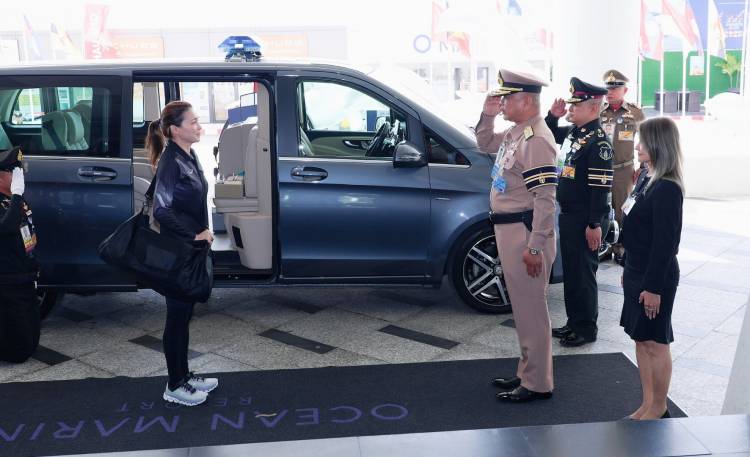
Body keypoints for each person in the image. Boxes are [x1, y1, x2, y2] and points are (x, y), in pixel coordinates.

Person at [477, 69, 558, 402]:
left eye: (506, 99)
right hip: (510, 230)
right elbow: (484, 143)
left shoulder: (536, 139)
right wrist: (487, 115)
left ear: (525, 101)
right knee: (524, 309)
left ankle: (537, 383)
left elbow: (545, 199)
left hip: (525, 234)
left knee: (532, 311)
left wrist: (535, 247)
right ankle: (528, 372)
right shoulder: (517, 133)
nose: (502, 104)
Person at [146, 101, 218, 406]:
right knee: (177, 317)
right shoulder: (171, 161)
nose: (199, 127)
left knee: (184, 314)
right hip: (178, 251)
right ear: (175, 130)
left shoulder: (188, 154)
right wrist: (194, 234)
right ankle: (174, 385)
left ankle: (184, 375)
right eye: (193, 122)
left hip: (190, 250)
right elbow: (161, 210)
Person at [620, 117, 684, 420]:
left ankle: (659, 407)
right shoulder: (646, 176)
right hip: (637, 269)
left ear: (659, 144)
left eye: (643, 141)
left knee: (656, 343)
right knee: (641, 339)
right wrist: (627, 266)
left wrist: (653, 287)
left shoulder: (667, 188)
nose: (637, 146)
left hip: (654, 276)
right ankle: (647, 404)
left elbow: (665, 245)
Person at [546, 77, 613, 347]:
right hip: (570, 215)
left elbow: (600, 188)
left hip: (587, 218)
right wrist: (553, 116)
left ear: (593, 108)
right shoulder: (576, 134)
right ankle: (574, 322)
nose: (571, 109)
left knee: (584, 275)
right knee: (572, 273)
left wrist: (594, 223)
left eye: (576, 105)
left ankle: (586, 329)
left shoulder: (598, 143)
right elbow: (549, 134)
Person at [0, 146, 41, 363]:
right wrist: (16, 194)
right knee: (18, 350)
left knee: (31, 339)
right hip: (7, 279)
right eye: (13, 172)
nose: (19, 176)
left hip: (24, 276)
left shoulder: (16, 200)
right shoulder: (13, 198)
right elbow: (5, 228)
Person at [600, 70, 645, 264]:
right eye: (607, 88)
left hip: (623, 170)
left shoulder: (635, 112)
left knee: (622, 209)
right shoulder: (598, 110)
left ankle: (620, 247)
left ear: (624, 90)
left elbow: (647, 139)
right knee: (601, 207)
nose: (609, 92)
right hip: (600, 169)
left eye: (615, 88)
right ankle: (604, 246)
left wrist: (643, 166)